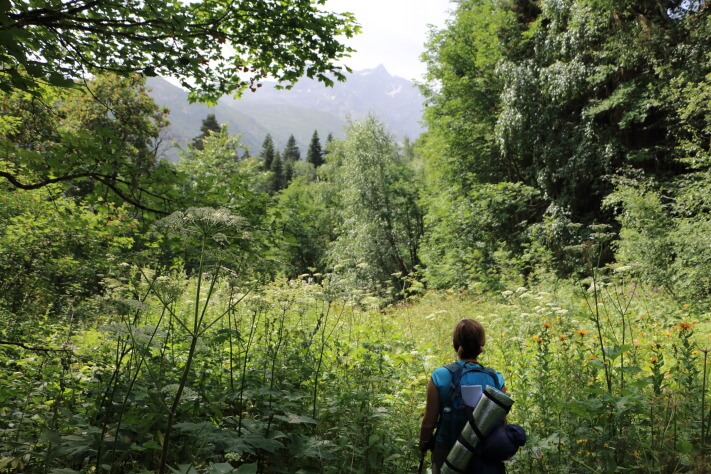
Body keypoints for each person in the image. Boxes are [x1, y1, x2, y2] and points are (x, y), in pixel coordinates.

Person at [418, 318, 507, 473]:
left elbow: (428, 423)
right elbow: (502, 420)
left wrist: (423, 445)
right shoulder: (496, 378)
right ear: (481, 347)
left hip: (448, 452)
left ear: (456, 344)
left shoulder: (441, 376)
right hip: (486, 454)